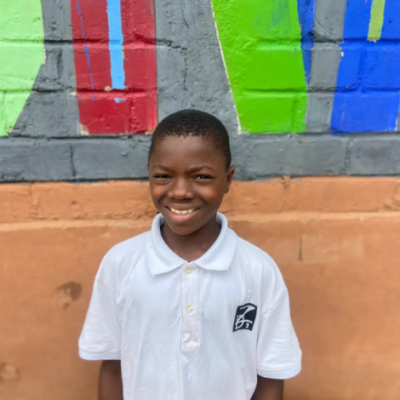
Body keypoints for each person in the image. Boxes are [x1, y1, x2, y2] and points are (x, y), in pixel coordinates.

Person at [79, 109, 302, 400]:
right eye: (163, 176)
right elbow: (112, 366)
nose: (180, 192)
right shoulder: (120, 264)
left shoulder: (258, 270)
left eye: (201, 177)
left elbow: (271, 375)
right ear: (149, 174)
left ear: (228, 179)